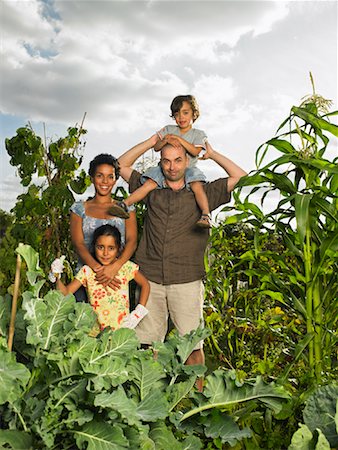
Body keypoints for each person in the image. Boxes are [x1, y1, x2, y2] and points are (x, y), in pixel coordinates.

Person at [117, 135, 247, 390]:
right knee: (148, 344)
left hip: (186, 280)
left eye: (177, 160)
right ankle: (148, 396)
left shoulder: (203, 192)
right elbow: (121, 164)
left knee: (192, 346)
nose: (172, 167)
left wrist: (214, 154)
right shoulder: (151, 186)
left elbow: (241, 177)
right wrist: (152, 141)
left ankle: (194, 402)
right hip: (150, 279)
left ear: (187, 160)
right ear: (160, 163)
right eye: (165, 161)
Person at [109, 95, 212, 228]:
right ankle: (125, 204)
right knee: (149, 184)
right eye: (177, 114)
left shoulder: (198, 134)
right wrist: (165, 140)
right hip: (164, 168)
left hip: (189, 169)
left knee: (197, 186)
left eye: (185, 113)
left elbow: (195, 151)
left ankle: (205, 215)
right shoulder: (169, 129)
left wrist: (178, 139)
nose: (181, 117)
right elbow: (156, 148)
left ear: (194, 113)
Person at [50, 224, 149, 335]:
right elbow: (66, 292)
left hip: (121, 331)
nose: (105, 253)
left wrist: (138, 312)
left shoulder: (125, 267)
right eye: (100, 247)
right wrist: (56, 276)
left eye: (111, 248)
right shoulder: (87, 271)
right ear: (94, 247)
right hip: (94, 333)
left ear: (118, 249)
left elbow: (145, 284)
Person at [69, 153, 138, 301]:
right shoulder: (79, 209)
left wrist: (115, 267)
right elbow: (78, 244)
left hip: (116, 278)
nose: (105, 181)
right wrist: (98, 270)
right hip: (84, 280)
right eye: (100, 175)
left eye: (110, 176)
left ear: (116, 179)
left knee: (115, 322)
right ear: (92, 177)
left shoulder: (126, 209)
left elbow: (132, 241)